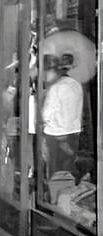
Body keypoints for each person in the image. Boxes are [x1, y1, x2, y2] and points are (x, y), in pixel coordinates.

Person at [41, 53, 83, 181]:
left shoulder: (56, 87)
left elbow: (46, 114)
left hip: (56, 135)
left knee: (55, 173)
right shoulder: (76, 84)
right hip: (73, 133)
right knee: (68, 170)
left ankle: (57, 197)